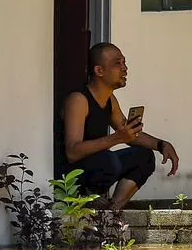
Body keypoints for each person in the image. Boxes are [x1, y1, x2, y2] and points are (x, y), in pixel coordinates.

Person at [57, 42, 180, 214]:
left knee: (144, 156)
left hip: (98, 163)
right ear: (99, 71)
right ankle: (87, 200)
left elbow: (130, 135)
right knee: (109, 161)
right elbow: (72, 152)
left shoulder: (110, 100)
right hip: (71, 177)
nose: (125, 68)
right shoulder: (78, 100)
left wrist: (161, 145)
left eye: (124, 62)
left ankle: (112, 210)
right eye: (117, 64)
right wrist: (117, 138)